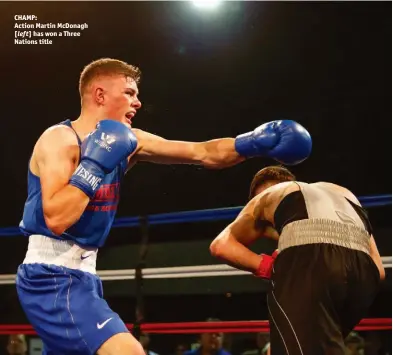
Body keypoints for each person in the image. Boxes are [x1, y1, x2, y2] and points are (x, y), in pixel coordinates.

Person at [15, 58, 312, 355]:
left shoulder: (131, 141)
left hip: (85, 276)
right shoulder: (59, 140)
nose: (138, 102)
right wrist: (94, 162)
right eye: (130, 93)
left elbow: (202, 152)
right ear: (100, 95)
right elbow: (56, 218)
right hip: (51, 277)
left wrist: (253, 143)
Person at [210, 166, 385, 355]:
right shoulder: (342, 193)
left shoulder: (267, 196)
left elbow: (220, 245)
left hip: (311, 267)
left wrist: (272, 268)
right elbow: (379, 270)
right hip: (365, 279)